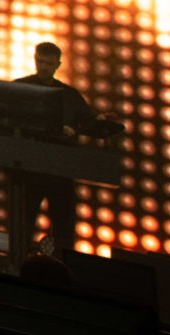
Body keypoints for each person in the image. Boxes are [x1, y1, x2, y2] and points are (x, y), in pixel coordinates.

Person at [14, 40, 125, 255]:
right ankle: (21, 258)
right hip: (31, 165)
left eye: (48, 63)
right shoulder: (20, 88)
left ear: (58, 65)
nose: (43, 67)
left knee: (63, 221)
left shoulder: (69, 95)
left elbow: (87, 120)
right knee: (25, 218)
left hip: (60, 168)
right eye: (40, 62)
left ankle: (62, 260)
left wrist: (99, 121)